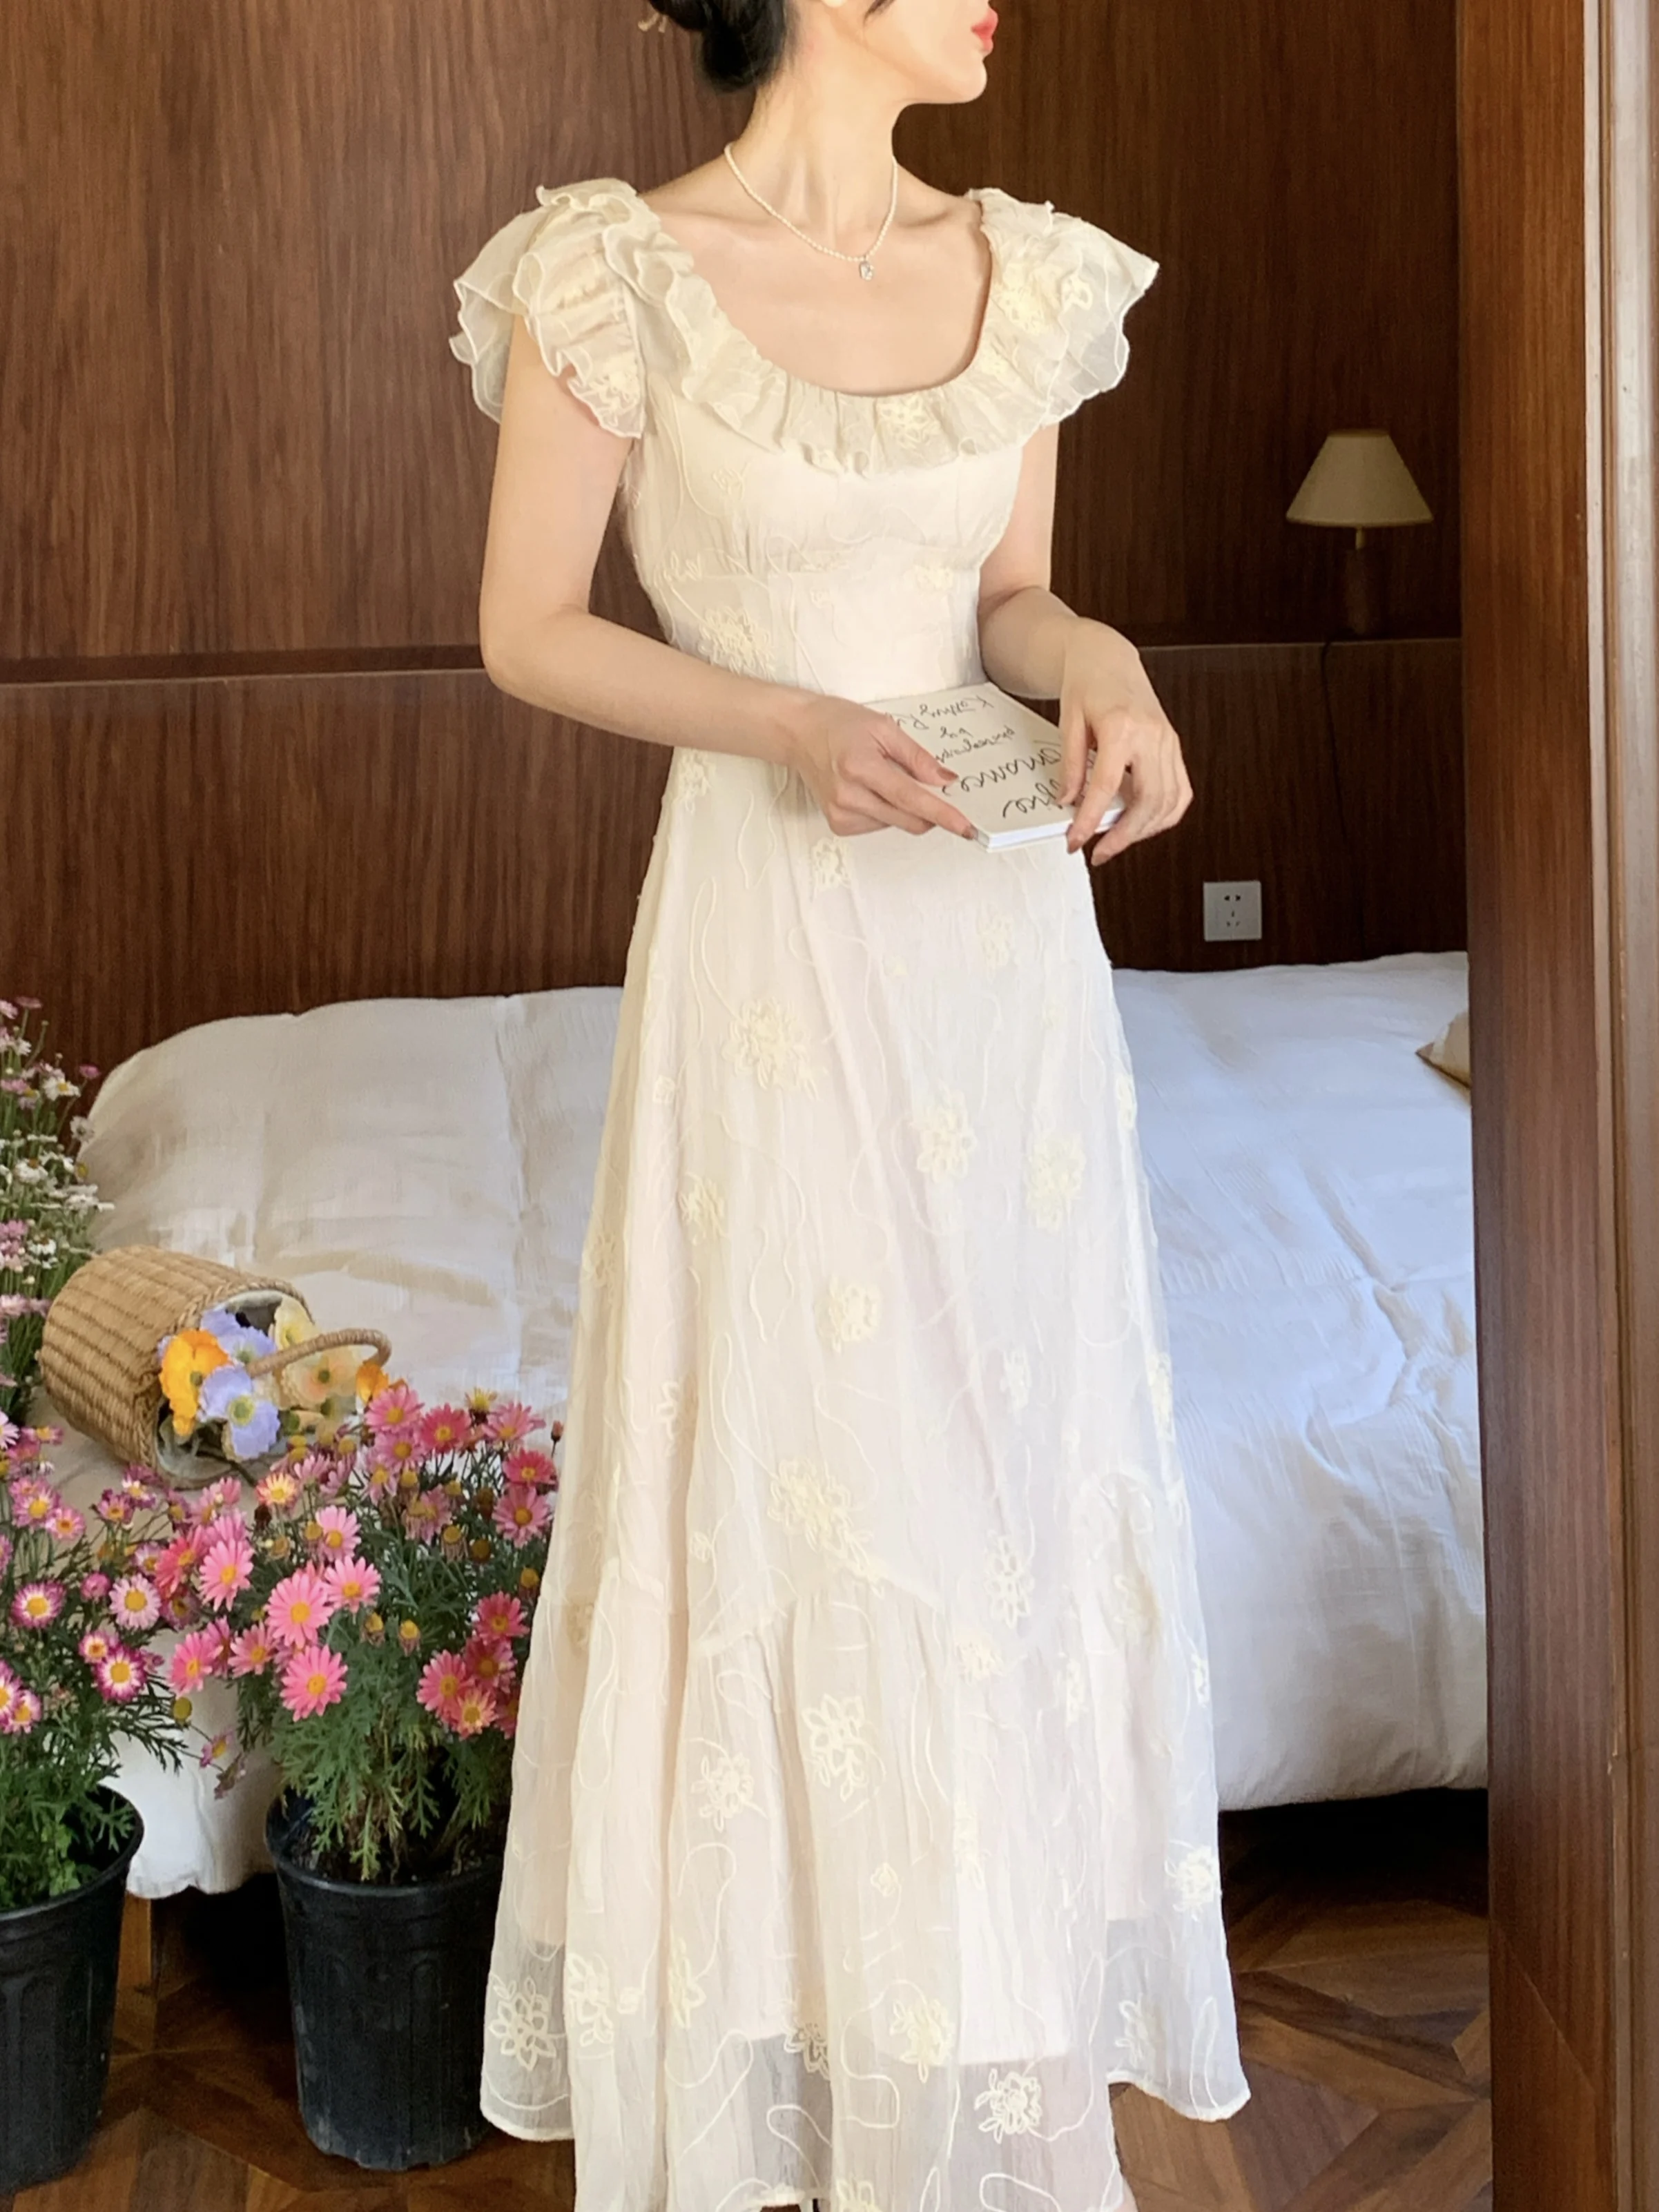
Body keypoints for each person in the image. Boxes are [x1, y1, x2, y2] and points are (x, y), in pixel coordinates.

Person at [449, 1, 1247, 2204]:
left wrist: (1106, 664)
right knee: (815, 1472)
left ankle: (973, 2086)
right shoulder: (607, 270)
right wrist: (787, 722)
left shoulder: (1028, 268)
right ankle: (784, 2074)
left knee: (994, 1478)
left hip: (1001, 962)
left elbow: (1009, 602)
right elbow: (528, 624)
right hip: (773, 941)